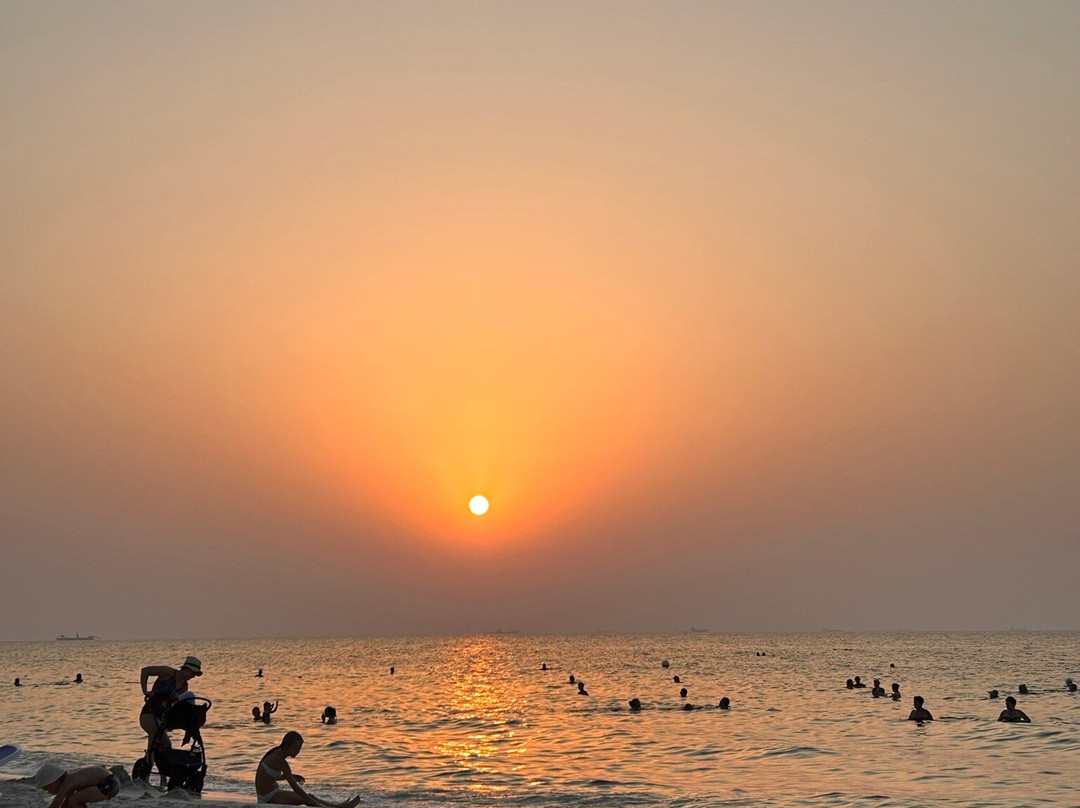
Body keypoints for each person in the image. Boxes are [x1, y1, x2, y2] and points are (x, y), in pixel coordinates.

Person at [139, 657, 203, 785]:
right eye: (193, 673)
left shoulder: (184, 686)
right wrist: (145, 691)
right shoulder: (168, 673)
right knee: (154, 739)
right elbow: (145, 671)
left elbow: (178, 704)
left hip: (161, 717)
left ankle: (163, 778)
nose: (193, 676)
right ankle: (145, 777)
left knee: (166, 746)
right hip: (149, 713)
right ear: (187, 669)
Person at [255, 732, 360, 807]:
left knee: (309, 796)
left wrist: (292, 776)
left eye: (299, 749)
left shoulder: (277, 752)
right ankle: (331, 807)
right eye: (295, 748)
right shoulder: (280, 760)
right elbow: (296, 789)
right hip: (268, 797)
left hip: (271, 792)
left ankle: (336, 806)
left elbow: (268, 776)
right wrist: (316, 804)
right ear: (287, 746)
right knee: (306, 798)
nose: (298, 752)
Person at [35, 761, 120, 808]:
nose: (48, 792)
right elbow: (65, 804)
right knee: (76, 800)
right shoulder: (71, 781)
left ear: (53, 781)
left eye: (46, 788)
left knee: (73, 800)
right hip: (111, 781)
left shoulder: (66, 785)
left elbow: (55, 804)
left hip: (108, 783)